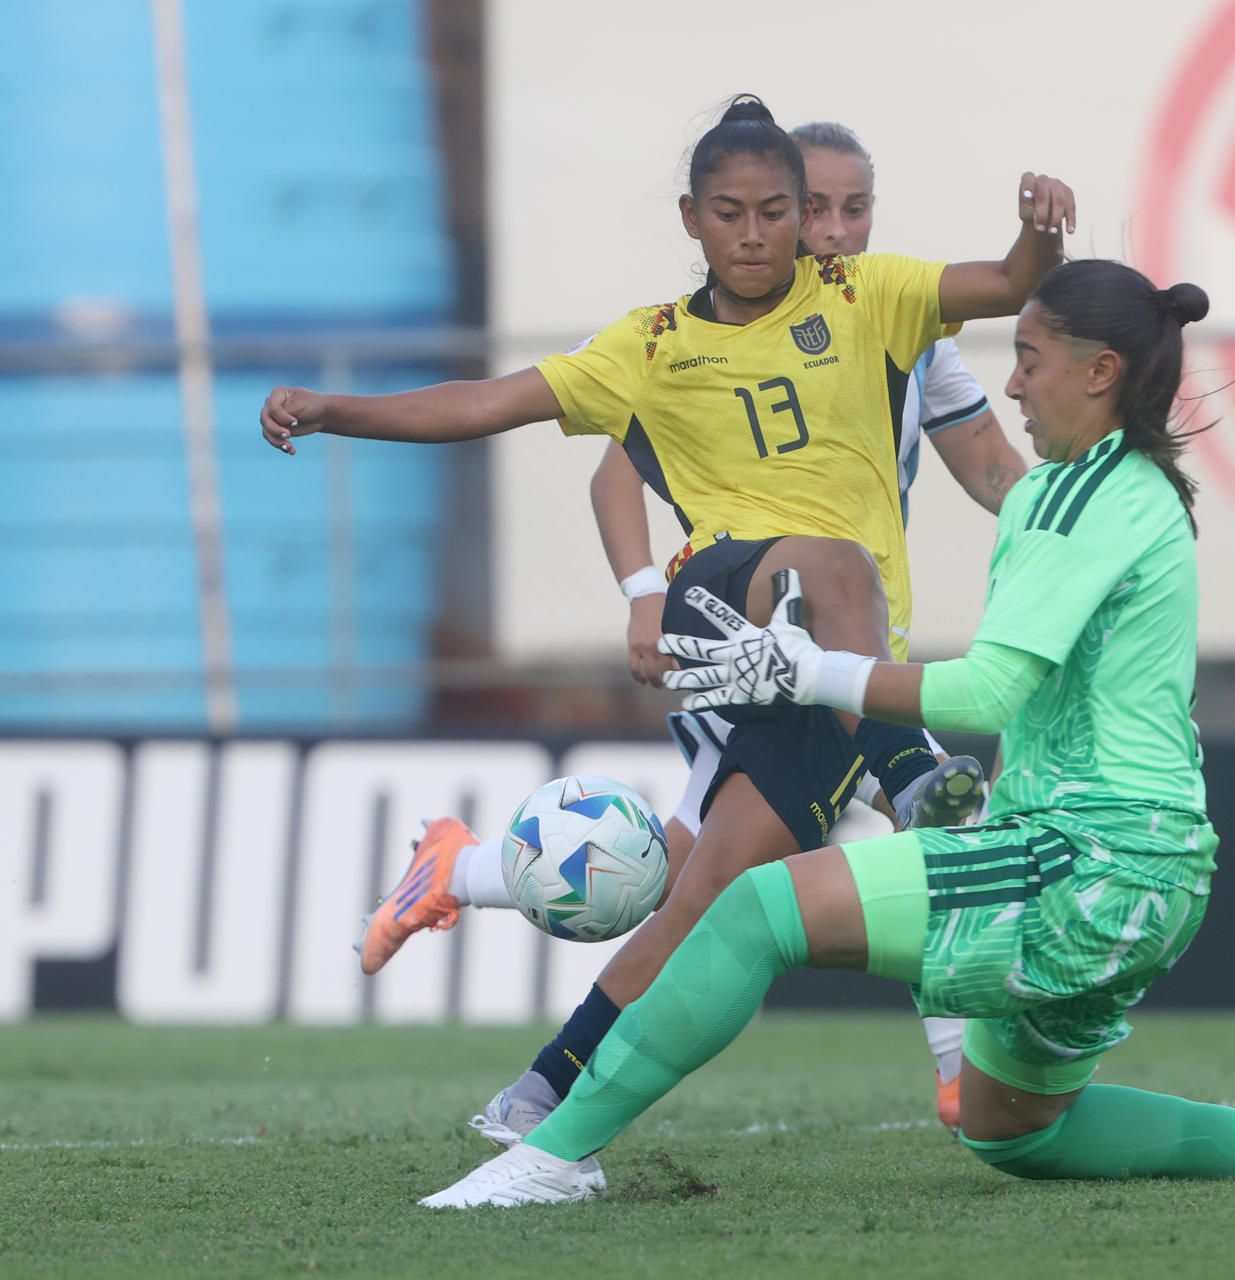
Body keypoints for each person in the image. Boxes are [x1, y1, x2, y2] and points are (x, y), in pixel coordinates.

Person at [416, 259, 1235, 1208]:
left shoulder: (1077, 497)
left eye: (1028, 358)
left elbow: (988, 693)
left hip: (1090, 856)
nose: (1010, 384)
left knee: (754, 910)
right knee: (1014, 1128)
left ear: (1100, 370)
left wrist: (808, 668)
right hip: (1151, 862)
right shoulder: (1119, 490)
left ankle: (549, 1153)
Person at [258, 96, 1075, 1146]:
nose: (757, 233)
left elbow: (1013, 284)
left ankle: (537, 1095)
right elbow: (487, 400)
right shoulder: (650, 346)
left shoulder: (873, 296)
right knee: (837, 574)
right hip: (721, 611)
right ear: (691, 218)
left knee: (702, 900)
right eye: (731, 212)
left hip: (824, 669)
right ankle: (913, 791)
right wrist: (339, 412)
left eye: (779, 211)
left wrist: (1041, 229)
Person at [586, 119, 1029, 1130]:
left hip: (858, 647)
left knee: (692, 878)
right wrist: (643, 589)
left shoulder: (905, 329)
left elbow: (996, 471)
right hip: (756, 637)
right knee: (695, 881)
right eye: (812, 207)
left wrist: (1072, 534)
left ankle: (481, 903)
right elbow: (614, 465)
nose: (831, 229)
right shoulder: (695, 338)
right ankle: (959, 1058)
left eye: (851, 207)